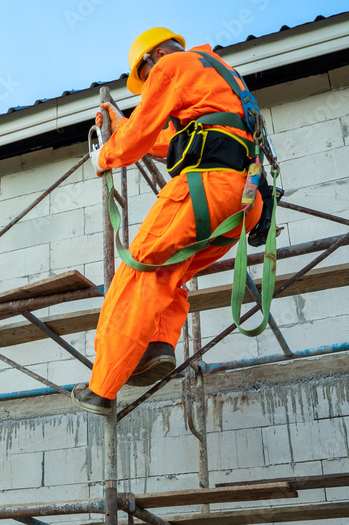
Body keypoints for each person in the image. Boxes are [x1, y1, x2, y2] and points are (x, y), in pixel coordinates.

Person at [71, 27, 265, 416]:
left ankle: (102, 387)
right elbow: (169, 140)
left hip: (204, 189)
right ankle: (158, 346)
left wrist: (105, 156)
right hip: (244, 201)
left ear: (153, 55)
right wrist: (121, 125)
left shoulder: (171, 65)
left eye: (144, 78)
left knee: (137, 275)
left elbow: (143, 135)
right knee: (169, 275)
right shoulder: (220, 74)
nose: (146, 86)